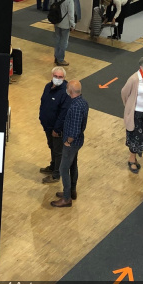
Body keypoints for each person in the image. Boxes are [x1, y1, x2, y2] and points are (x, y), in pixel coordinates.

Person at [51, 79, 88, 207]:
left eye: (67, 88)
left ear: (71, 91)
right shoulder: (82, 102)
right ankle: (72, 191)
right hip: (77, 142)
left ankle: (66, 198)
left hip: (72, 143)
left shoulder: (76, 106)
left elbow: (76, 128)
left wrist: (68, 141)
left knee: (63, 168)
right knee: (73, 165)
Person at [38, 66, 70, 184]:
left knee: (58, 151)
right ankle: (52, 166)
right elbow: (43, 103)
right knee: (51, 146)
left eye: (60, 77)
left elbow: (63, 113)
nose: (57, 78)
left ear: (64, 78)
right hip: (48, 126)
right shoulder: (48, 86)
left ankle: (56, 175)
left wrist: (57, 129)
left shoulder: (65, 92)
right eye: (55, 76)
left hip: (57, 129)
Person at [52, 0, 76, 66]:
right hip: (65, 24)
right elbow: (71, 14)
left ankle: (56, 56)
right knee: (64, 42)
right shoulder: (70, 0)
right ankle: (60, 59)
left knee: (57, 39)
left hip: (56, 22)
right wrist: (73, 25)